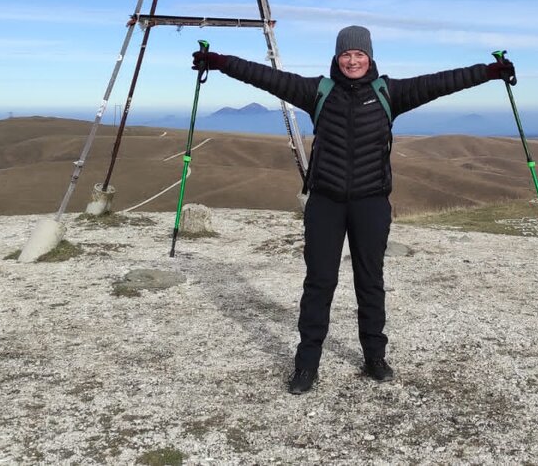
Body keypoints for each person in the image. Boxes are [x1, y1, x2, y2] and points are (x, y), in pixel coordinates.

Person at [193, 25, 514, 394]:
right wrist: (220, 62)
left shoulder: (388, 92)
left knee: (370, 281)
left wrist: (488, 72)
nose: (352, 60)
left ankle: (374, 357)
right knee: (319, 283)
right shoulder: (317, 91)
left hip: (371, 202)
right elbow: (265, 77)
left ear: (369, 57)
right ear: (337, 57)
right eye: (346, 54)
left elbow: (441, 82)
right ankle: (306, 364)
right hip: (325, 202)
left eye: (359, 54)